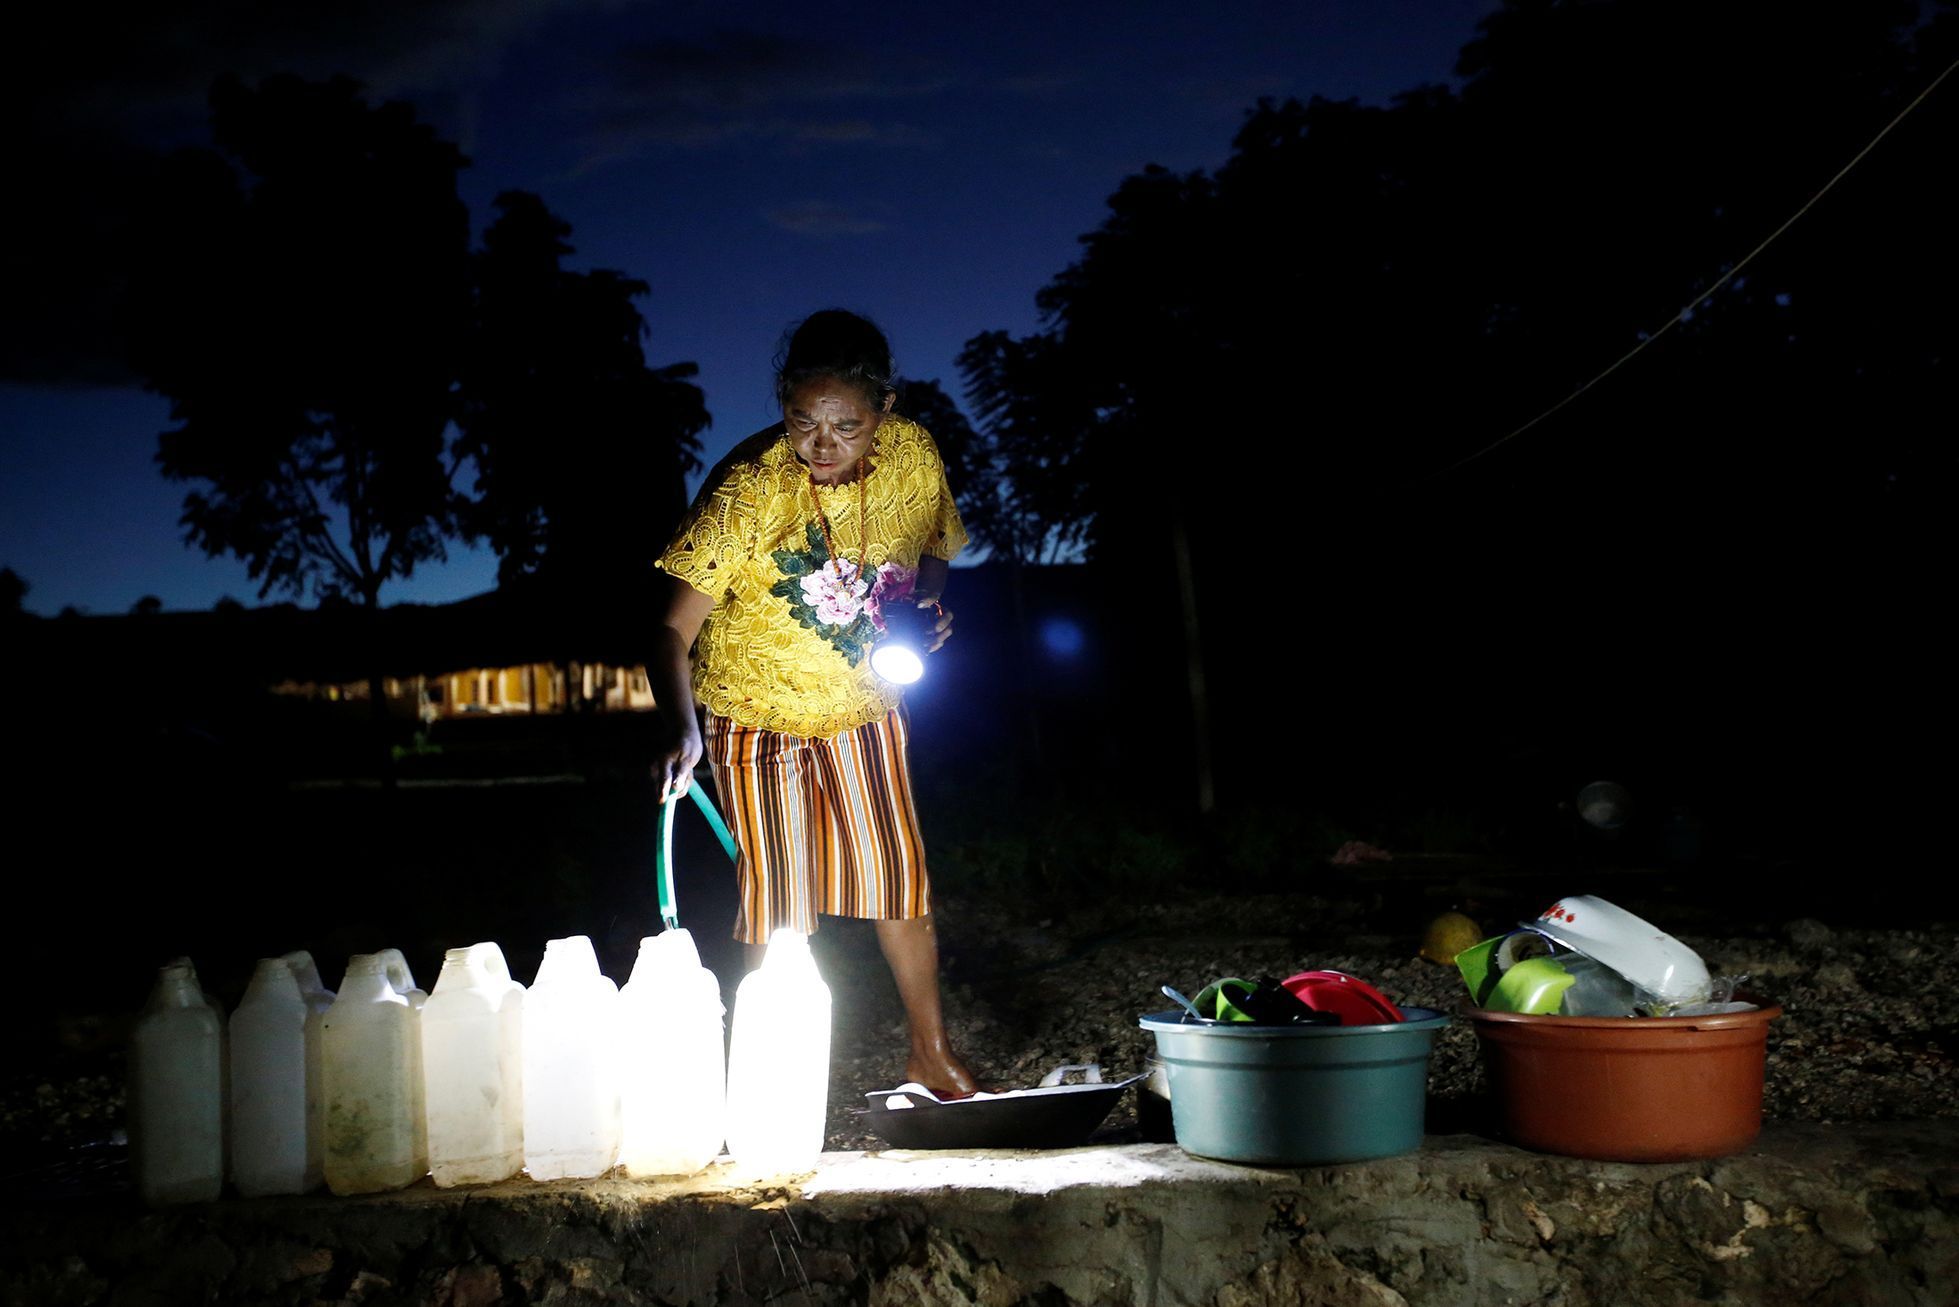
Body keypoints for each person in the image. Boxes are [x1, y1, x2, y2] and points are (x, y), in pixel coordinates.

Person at [649, 309, 982, 1099]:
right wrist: (682, 729)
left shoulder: (912, 456)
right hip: (753, 715)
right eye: (803, 422)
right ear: (781, 403)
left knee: (899, 881)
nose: (823, 445)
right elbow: (668, 631)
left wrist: (925, 609)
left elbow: (934, 548)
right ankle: (773, 1084)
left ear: (886, 408)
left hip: (863, 704)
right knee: (781, 906)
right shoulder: (749, 490)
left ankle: (930, 1054)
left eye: (846, 425)